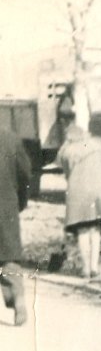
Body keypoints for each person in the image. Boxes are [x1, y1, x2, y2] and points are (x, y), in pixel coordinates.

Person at [56, 125, 101, 279]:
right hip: (98, 191)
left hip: (79, 193)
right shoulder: (97, 145)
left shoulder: (67, 151)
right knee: (95, 230)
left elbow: (65, 171)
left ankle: (86, 269)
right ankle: (94, 268)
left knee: (82, 230)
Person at [0, 127, 31, 326]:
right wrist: (21, 201)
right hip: (6, 206)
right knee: (9, 256)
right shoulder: (11, 139)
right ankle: (18, 300)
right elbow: (25, 174)